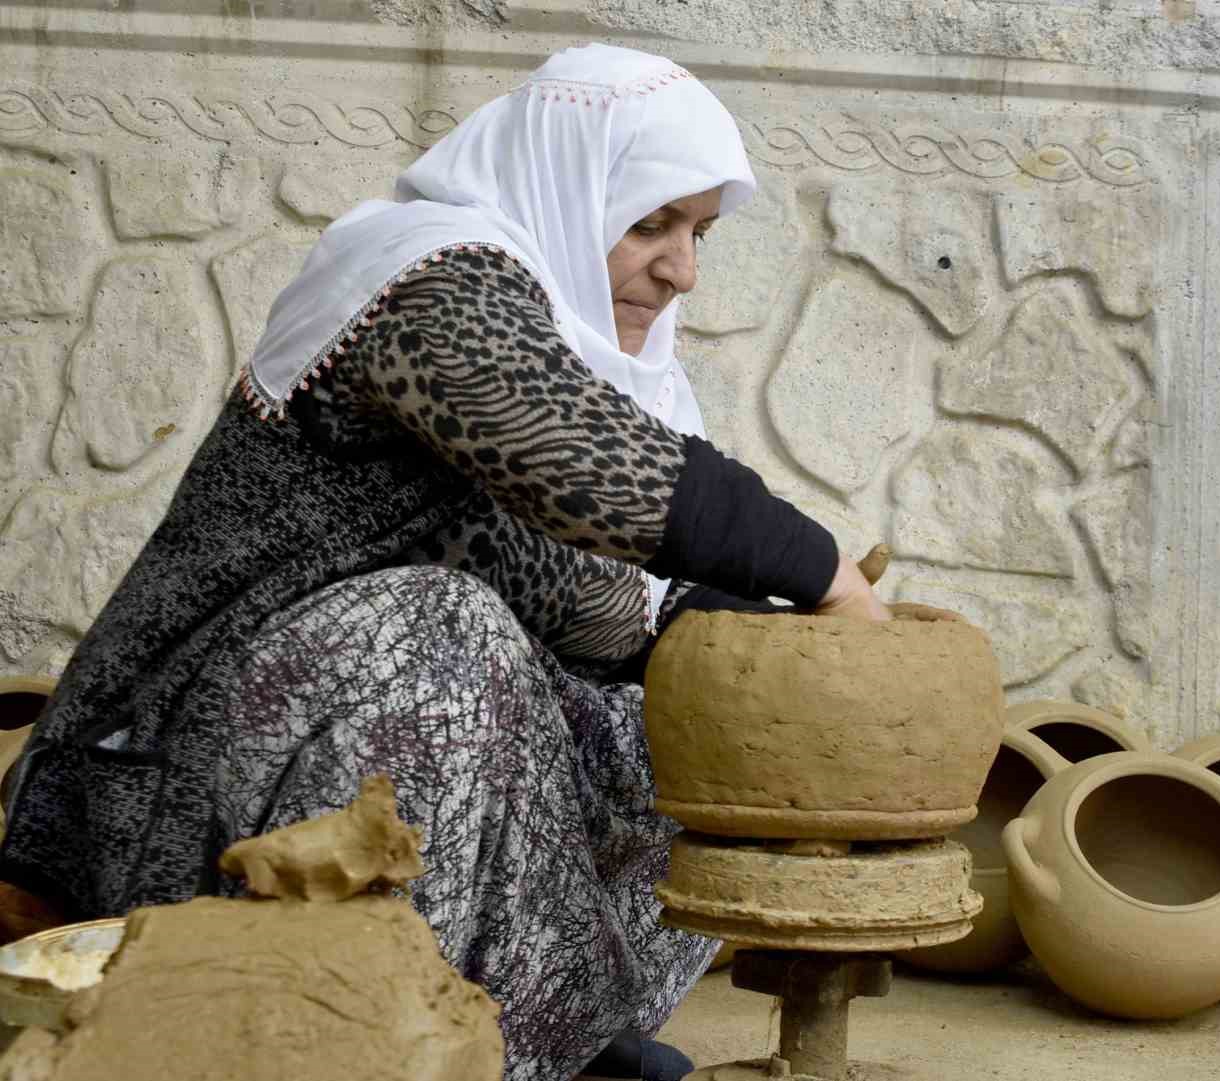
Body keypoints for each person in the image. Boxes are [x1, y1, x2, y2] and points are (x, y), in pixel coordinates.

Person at [0, 43, 896, 1081]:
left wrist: (772, 654)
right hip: (168, 796)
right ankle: (387, 1031)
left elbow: (599, 609)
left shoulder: (580, 353)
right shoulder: (424, 274)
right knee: (438, 631)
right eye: (649, 221)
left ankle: (540, 1035)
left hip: (343, 769)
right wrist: (821, 567)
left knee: (704, 709)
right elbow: (569, 455)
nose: (681, 267)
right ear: (563, 187)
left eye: (698, 232)